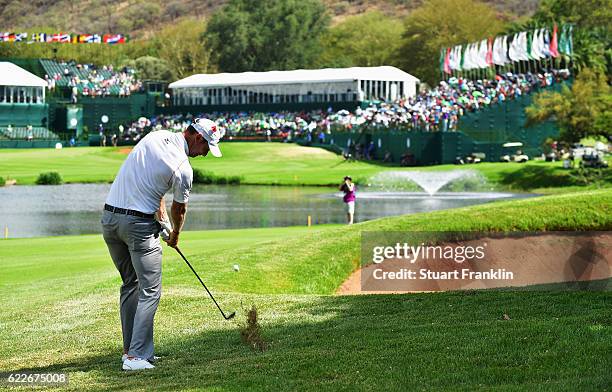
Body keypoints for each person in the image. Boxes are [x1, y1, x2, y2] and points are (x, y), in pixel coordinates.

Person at [101, 118, 225, 371]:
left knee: (131, 284)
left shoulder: (155, 137)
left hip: (110, 220)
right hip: (137, 226)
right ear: (197, 138)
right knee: (150, 290)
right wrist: (176, 232)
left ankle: (132, 351)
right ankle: (136, 357)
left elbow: (153, 189)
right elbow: (179, 207)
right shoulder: (183, 167)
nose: (204, 154)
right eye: (206, 148)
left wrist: (163, 223)